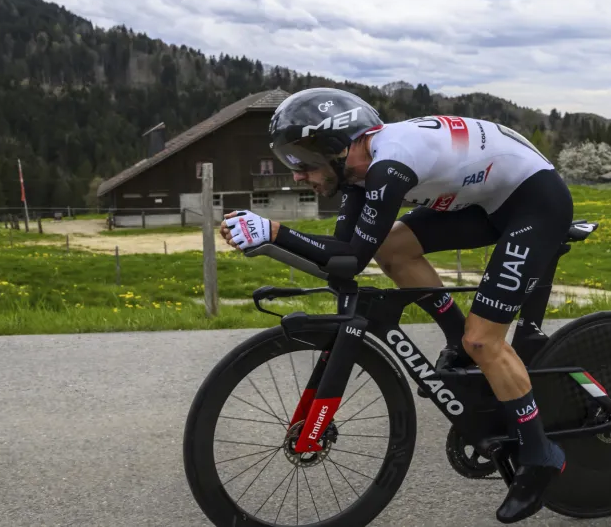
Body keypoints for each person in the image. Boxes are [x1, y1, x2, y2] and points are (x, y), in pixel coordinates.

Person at [218, 87, 572, 524]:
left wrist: (276, 233)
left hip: (534, 202)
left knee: (486, 341)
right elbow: (346, 258)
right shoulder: (357, 172)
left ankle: (541, 455)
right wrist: (277, 241)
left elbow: (349, 258)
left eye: (303, 164)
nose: (297, 176)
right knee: (393, 250)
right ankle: (455, 338)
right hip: (486, 201)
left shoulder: (390, 165)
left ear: (338, 148)